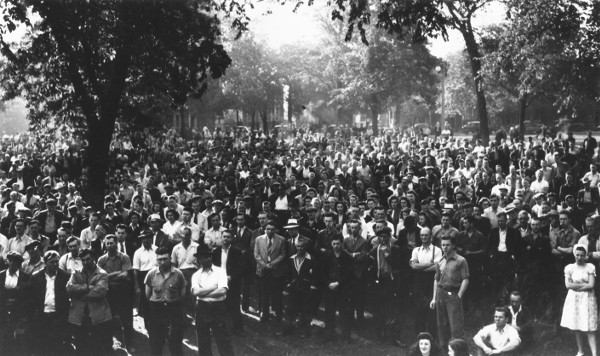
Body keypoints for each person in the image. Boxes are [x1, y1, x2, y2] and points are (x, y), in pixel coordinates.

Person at [66, 248, 113, 356]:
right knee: (81, 346)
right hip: (79, 315)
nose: (86, 262)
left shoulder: (102, 273)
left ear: (94, 259)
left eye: (88, 259)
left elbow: (100, 292)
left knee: (99, 347)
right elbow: (69, 288)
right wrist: (88, 287)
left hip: (98, 315)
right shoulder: (76, 272)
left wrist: (79, 295)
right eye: (83, 260)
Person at [191, 244, 235, 356]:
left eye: (209, 256)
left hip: (218, 308)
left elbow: (222, 291)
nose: (208, 258)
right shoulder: (196, 275)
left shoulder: (220, 272)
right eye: (204, 256)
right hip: (202, 308)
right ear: (199, 259)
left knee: (223, 340)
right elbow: (195, 292)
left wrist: (203, 293)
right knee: (203, 341)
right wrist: (214, 286)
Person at [144, 246, 187, 356]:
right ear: (156, 260)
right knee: (156, 343)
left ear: (170, 259)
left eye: (165, 259)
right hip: (156, 311)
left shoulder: (178, 274)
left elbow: (182, 295)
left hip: (173, 310)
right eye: (159, 259)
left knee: (175, 343)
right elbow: (148, 295)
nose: (162, 262)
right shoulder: (151, 274)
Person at [430, 235, 469, 351]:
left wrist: (459, 295)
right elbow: (436, 280)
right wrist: (433, 298)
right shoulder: (440, 261)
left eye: (447, 245)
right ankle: (445, 352)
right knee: (441, 326)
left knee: (455, 327)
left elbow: (465, 279)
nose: (445, 247)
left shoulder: (460, 260)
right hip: (440, 295)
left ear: (453, 245)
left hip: (453, 295)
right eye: (443, 245)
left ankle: (458, 351)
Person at [29, 250, 71, 355]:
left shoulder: (64, 276)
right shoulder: (36, 277)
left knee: (57, 346)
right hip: (41, 316)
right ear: (45, 262)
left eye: (57, 261)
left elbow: (67, 297)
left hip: (58, 316)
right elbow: (31, 298)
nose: (55, 264)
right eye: (52, 262)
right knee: (41, 345)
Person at [97, 233, 134, 350]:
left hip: (123, 293)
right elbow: (99, 277)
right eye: (107, 244)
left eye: (111, 243)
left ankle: (129, 344)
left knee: (127, 321)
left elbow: (126, 275)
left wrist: (108, 276)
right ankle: (109, 346)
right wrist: (117, 273)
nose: (109, 246)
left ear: (116, 243)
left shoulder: (124, 257)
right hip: (108, 294)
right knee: (108, 320)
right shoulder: (101, 260)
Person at [560, 244, 598, 356]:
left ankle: (594, 353)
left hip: (588, 299)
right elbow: (567, 285)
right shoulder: (569, 268)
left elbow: (591, 285)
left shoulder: (590, 267)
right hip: (574, 299)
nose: (579, 257)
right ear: (574, 255)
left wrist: (575, 285)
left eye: (582, 255)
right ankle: (580, 351)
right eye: (577, 255)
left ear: (585, 255)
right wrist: (583, 285)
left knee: (589, 328)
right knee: (577, 326)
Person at [410, 227, 442, 337]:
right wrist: (429, 264)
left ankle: (432, 336)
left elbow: (437, 268)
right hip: (418, 282)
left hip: (431, 281)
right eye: (422, 235)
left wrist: (421, 267)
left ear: (431, 237)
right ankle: (420, 335)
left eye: (426, 235)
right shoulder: (416, 250)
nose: (424, 237)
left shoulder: (437, 250)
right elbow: (413, 266)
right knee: (418, 308)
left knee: (431, 308)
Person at [212, 229, 245, 334]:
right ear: (221, 238)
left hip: (233, 282)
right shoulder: (216, 251)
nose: (226, 239)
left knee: (234, 305)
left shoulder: (237, 251)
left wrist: (231, 277)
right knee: (219, 305)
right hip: (219, 282)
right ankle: (220, 328)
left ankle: (238, 328)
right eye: (224, 236)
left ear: (232, 238)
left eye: (228, 237)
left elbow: (241, 268)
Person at [254, 220, 287, 322]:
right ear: (265, 229)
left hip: (276, 270)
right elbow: (256, 254)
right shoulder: (258, 239)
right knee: (264, 294)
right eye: (268, 229)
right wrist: (264, 265)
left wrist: (272, 264)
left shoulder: (281, 239)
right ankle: (264, 314)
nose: (270, 231)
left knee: (277, 294)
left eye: (272, 229)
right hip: (263, 270)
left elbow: (283, 254)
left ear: (275, 230)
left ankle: (277, 313)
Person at [323, 235, 354, 341]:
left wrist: (338, 283)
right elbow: (322, 273)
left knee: (344, 312)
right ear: (331, 244)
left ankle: (346, 336)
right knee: (329, 312)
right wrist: (328, 283)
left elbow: (349, 274)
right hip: (329, 288)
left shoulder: (347, 257)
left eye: (338, 244)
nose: (336, 246)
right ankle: (329, 335)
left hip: (343, 289)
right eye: (334, 244)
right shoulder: (326, 256)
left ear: (342, 244)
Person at [0, 251, 30, 354]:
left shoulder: (25, 277)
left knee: (18, 342)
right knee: (3, 342)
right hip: (2, 313)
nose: (12, 264)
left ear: (19, 263)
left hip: (18, 313)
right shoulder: (1, 275)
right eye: (10, 261)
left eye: (15, 261)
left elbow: (25, 296)